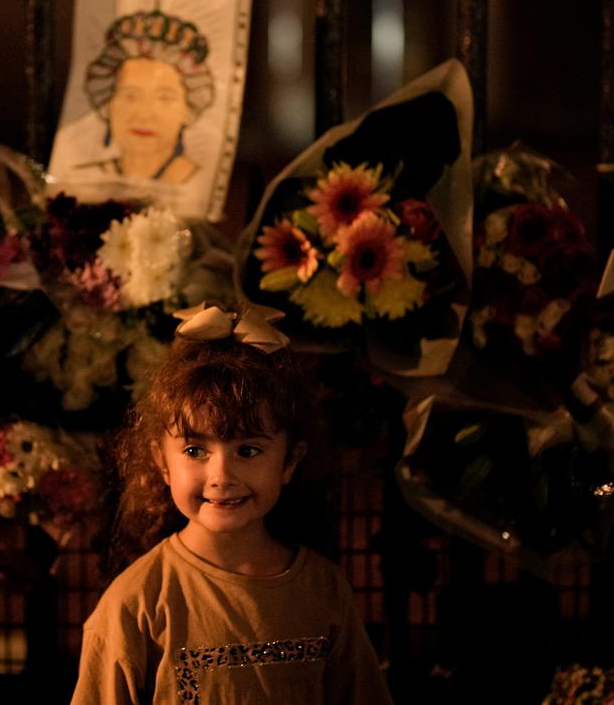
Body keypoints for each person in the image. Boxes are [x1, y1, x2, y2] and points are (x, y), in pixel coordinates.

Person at [71, 302, 394, 704]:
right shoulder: (136, 602)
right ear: (162, 462)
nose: (221, 475)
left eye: (248, 450)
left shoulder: (324, 588)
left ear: (289, 461)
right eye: (195, 450)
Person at [79, 9, 216, 185]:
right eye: (130, 96)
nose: (144, 115)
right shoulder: (80, 180)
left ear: (187, 109)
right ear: (107, 104)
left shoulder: (200, 184)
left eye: (164, 99)